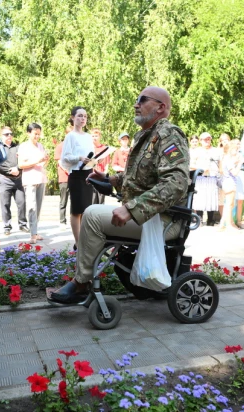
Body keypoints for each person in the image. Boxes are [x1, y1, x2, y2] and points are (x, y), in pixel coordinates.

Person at [50, 86, 190, 303]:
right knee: (92, 214)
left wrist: (131, 208)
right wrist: (109, 180)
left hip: (163, 220)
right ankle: (85, 280)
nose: (136, 104)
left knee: (92, 215)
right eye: (137, 100)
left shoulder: (168, 134)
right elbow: (139, 177)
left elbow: (177, 183)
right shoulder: (148, 135)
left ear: (161, 107)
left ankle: (82, 284)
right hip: (149, 217)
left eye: (142, 100)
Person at [59, 106, 94, 245]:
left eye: (85, 116)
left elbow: (91, 154)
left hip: (88, 174)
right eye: (79, 116)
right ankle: (78, 242)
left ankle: (84, 239)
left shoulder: (88, 136)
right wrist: (79, 158)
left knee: (86, 210)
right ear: (73, 118)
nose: (83, 119)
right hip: (76, 174)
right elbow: (65, 158)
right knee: (77, 210)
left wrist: (94, 160)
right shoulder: (70, 136)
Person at [18, 123, 49, 244]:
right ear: (28, 133)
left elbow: (42, 164)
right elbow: (21, 165)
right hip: (30, 180)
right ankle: (32, 234)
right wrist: (37, 160)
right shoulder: (23, 146)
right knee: (32, 207)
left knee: (39, 207)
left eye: (38, 134)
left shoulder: (40, 146)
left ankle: (35, 231)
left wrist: (46, 160)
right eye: (35, 134)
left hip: (41, 178)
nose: (37, 136)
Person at [0, 126, 29, 236]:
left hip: (18, 180)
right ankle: (7, 226)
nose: (9, 136)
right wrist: (11, 171)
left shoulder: (18, 147)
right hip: (5, 179)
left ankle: (23, 224)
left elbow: (24, 159)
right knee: (5, 204)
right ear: (1, 136)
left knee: (22, 203)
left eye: (11, 133)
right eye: (6, 134)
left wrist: (18, 169)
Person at [190, 132, 220, 225]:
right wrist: (201, 168)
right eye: (205, 139)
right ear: (201, 141)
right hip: (201, 177)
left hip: (212, 177)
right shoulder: (196, 151)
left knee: (211, 198)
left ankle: (211, 220)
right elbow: (191, 164)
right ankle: (199, 219)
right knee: (200, 198)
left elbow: (220, 163)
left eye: (208, 139)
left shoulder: (215, 150)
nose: (207, 141)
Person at [218, 139, 244, 231]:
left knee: (228, 204)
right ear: (230, 150)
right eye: (234, 149)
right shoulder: (228, 159)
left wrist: (237, 162)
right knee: (229, 205)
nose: (236, 151)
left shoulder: (226, 159)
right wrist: (240, 163)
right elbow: (235, 172)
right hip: (229, 183)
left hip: (228, 182)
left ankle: (222, 224)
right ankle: (228, 225)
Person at [54, 126, 73, 227]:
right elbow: (60, 162)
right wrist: (68, 170)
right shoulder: (60, 146)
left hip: (74, 177)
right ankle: (62, 221)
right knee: (63, 200)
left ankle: (72, 220)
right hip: (64, 177)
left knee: (73, 200)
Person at [91, 128, 111, 205]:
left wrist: (104, 175)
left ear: (99, 137)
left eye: (96, 136)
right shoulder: (89, 148)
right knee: (93, 199)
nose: (94, 138)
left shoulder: (104, 148)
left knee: (101, 198)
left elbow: (107, 163)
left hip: (101, 175)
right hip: (92, 175)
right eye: (92, 136)